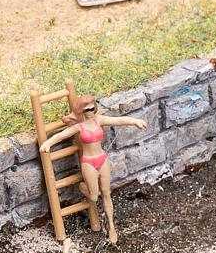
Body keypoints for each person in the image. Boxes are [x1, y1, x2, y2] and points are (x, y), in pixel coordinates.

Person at [39, 95, 147, 244]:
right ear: (80, 111)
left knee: (107, 193)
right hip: (89, 162)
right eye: (86, 109)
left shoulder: (98, 120)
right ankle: (84, 188)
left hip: (102, 159)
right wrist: (48, 143)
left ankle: (111, 226)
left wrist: (135, 121)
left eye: (92, 108)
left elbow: (118, 120)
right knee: (94, 197)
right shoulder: (79, 127)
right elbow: (62, 135)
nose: (90, 111)